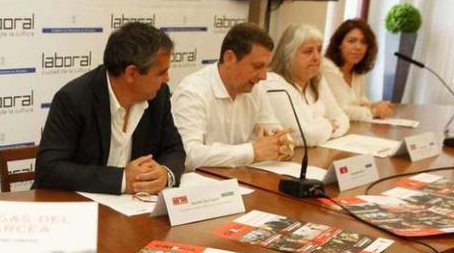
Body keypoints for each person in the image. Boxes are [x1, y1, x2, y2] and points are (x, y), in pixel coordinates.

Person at [34, 22, 185, 195]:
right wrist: (121, 180)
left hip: (134, 210)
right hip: (79, 208)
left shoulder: (159, 96)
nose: (167, 79)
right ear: (131, 73)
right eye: (161, 72)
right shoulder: (74, 98)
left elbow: (174, 149)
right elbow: (49, 169)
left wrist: (165, 174)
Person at [172, 22, 291, 171]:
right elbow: (188, 155)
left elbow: (277, 134)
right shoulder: (193, 91)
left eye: (266, 67)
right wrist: (252, 151)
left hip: (241, 180)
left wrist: (283, 146)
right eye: (257, 66)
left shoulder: (255, 89)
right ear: (229, 58)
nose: (264, 76)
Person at [263, 24, 350, 147]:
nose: (316, 57)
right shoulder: (273, 83)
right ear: (288, 55)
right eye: (308, 51)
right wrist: (329, 125)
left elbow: (343, 118)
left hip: (316, 153)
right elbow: (299, 135)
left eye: (319, 50)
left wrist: (318, 130)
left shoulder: (317, 79)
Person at [322, 18, 394, 121]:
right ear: (339, 44)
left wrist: (376, 105)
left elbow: (360, 101)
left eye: (363, 42)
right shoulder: (327, 67)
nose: (358, 47)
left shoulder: (356, 70)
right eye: (352, 41)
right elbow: (340, 111)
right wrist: (374, 111)